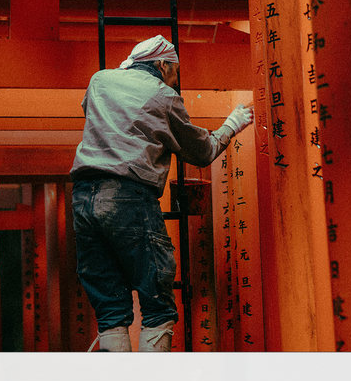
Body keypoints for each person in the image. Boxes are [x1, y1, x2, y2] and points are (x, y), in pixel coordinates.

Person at [70, 34, 254, 351]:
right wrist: (232, 124)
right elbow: (202, 151)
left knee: (110, 309)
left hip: (83, 196)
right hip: (129, 196)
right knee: (157, 304)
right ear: (161, 64)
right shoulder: (162, 95)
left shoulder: (99, 80)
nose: (175, 80)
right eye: (175, 72)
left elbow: (96, 112)